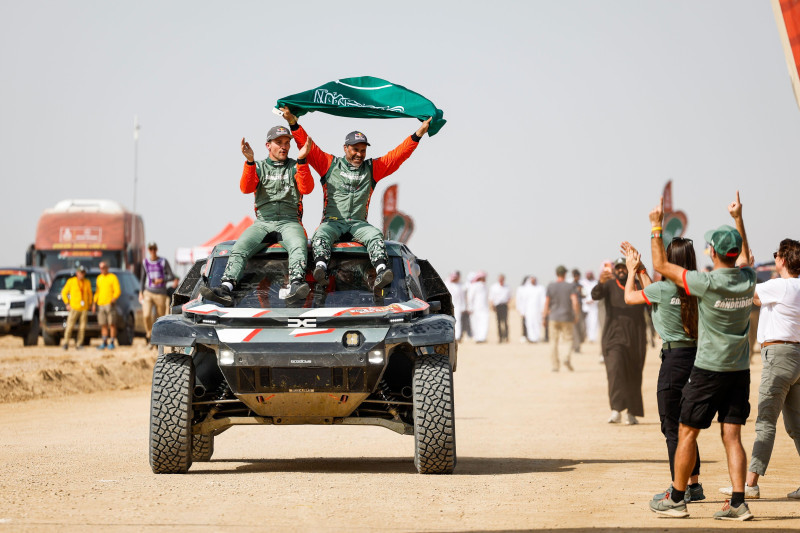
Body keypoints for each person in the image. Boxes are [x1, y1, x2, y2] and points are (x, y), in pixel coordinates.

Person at [648, 192, 756, 521]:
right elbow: (747, 258)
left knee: (686, 432)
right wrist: (738, 219)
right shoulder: (747, 279)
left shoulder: (705, 283)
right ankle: (738, 502)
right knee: (732, 436)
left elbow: (661, 266)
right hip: (739, 369)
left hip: (709, 368)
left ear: (712, 252)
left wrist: (656, 227)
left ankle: (677, 498)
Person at [282, 107, 431, 289]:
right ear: (345, 148)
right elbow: (308, 147)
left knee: (375, 235)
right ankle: (321, 268)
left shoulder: (372, 168)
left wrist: (418, 134)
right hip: (332, 222)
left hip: (359, 224)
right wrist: (293, 123)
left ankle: (382, 271)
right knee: (320, 235)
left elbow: (398, 155)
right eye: (355, 149)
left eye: (362, 150)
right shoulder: (329, 164)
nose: (359, 154)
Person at [621, 239, 705, 503]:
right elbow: (656, 294)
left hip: (673, 362)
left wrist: (631, 271)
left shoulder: (662, 288)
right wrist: (642, 269)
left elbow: (630, 297)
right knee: (687, 425)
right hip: (697, 359)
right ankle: (693, 485)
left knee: (671, 427)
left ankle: (678, 488)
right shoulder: (697, 286)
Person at [718, 238, 800, 501]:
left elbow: (745, 292)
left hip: (779, 357)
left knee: (765, 422)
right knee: (797, 426)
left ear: (783, 259)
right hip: (797, 357)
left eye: (776, 254)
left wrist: (745, 269)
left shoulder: (780, 286)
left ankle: (750, 483)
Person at [202, 126, 315, 307]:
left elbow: (307, 188)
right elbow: (245, 188)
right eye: (279, 142)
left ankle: (295, 285)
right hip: (263, 223)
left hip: (290, 222)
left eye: (287, 143)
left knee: (298, 245)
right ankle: (226, 289)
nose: (284, 146)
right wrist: (249, 162)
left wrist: (302, 160)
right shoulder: (259, 166)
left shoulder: (296, 165)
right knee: (240, 246)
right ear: (268, 145)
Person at [591, 257, 647, 424]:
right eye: (619, 268)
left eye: (624, 267)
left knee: (634, 374)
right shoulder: (609, 284)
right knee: (615, 371)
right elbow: (595, 295)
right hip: (613, 337)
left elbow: (652, 306)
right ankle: (616, 410)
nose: (621, 270)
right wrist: (600, 283)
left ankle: (632, 412)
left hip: (636, 337)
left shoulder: (639, 285)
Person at [543, 265, 580, 372]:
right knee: (568, 340)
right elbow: (575, 301)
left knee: (553, 342)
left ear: (556, 274)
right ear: (565, 274)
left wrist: (544, 317)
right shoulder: (570, 286)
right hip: (567, 317)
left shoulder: (551, 286)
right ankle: (566, 358)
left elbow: (546, 303)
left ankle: (555, 365)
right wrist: (576, 315)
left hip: (553, 317)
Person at [140, 242, 177, 347]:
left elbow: (172, 276)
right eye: (150, 249)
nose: (152, 251)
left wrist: (162, 280)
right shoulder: (145, 262)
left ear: (156, 250)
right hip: (148, 292)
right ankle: (149, 335)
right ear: (148, 250)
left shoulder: (163, 261)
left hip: (160, 293)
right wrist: (140, 292)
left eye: (154, 249)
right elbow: (142, 278)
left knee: (159, 317)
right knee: (146, 315)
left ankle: (157, 339)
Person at [61, 265, 92, 350]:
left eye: (83, 272)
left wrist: (90, 304)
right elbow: (64, 292)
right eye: (80, 272)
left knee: (82, 328)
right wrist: (67, 303)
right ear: (77, 273)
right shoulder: (71, 281)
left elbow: (90, 294)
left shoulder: (87, 282)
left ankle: (79, 344)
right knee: (69, 326)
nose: (82, 274)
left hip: (84, 308)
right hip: (74, 307)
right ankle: (66, 343)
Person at [93, 262, 120, 350]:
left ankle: (112, 342)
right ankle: (104, 342)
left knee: (112, 323)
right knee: (103, 324)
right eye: (100, 268)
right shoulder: (99, 278)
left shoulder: (112, 277)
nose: (102, 269)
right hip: (101, 304)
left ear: (107, 268)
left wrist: (114, 298)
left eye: (103, 267)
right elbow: (97, 291)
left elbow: (117, 290)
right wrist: (94, 302)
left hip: (110, 304)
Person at [444, 271, 468, 342]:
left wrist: (464, 307)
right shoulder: (447, 284)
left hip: (458, 307)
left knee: (458, 322)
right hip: (449, 306)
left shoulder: (461, 285)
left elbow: (463, 297)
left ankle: (457, 337)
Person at [522, 276, 546, 343]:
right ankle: (531, 337)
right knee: (529, 323)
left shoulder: (540, 288)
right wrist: (523, 310)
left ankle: (536, 337)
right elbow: (524, 300)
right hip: (528, 310)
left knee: (537, 323)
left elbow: (543, 300)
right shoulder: (526, 289)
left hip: (538, 309)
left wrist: (543, 309)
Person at [467, 271, 489, 343]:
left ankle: (482, 338)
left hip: (484, 308)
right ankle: (477, 338)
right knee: (475, 323)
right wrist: (470, 307)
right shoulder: (474, 286)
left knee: (484, 323)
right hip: (475, 308)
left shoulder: (485, 286)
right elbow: (470, 297)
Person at [489, 274, 511, 343]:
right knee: (498, 322)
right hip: (497, 306)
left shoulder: (507, 287)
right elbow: (491, 297)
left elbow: (509, 297)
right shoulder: (494, 287)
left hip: (504, 305)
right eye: (500, 279)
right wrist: (492, 306)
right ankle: (500, 337)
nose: (501, 280)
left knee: (505, 322)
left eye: (502, 279)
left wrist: (507, 304)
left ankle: (506, 337)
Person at [571, 269, 586, 353]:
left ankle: (578, 343)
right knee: (575, 328)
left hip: (580, 308)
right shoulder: (571, 286)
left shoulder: (580, 286)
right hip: (573, 308)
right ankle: (576, 347)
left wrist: (580, 291)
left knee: (582, 327)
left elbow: (584, 295)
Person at [582, 271, 599, 342]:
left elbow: (598, 294)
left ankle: (593, 337)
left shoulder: (596, 283)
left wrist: (593, 300)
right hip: (585, 306)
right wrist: (585, 301)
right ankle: (587, 336)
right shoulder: (582, 283)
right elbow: (581, 293)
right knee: (586, 323)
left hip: (594, 306)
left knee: (594, 322)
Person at [516, 276, 529, 342]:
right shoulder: (520, 289)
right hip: (524, 309)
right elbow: (518, 299)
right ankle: (524, 335)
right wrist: (519, 309)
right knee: (524, 323)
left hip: (531, 309)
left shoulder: (534, 289)